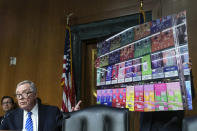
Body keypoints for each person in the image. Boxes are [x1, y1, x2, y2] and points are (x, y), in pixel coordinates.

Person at [0, 80, 81, 131]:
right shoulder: (10, 116)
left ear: (35, 95)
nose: (20, 98)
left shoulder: (52, 112)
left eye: (25, 93)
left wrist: (73, 116)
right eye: (18, 95)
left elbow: (66, 127)